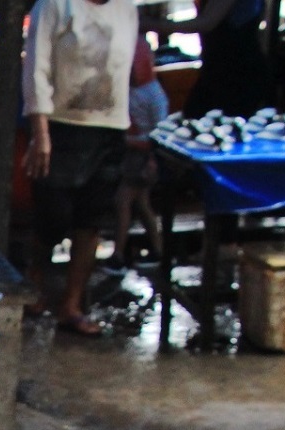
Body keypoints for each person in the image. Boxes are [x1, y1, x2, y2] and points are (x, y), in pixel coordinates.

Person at [23, 0, 141, 335]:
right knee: (52, 215)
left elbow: (125, 71)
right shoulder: (54, 5)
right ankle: (35, 284)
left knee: (91, 222)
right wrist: (40, 132)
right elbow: (36, 68)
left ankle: (71, 306)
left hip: (109, 129)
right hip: (60, 126)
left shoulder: (126, 9)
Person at [150, 0, 273, 118]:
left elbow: (206, 23)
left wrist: (149, 24)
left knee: (200, 120)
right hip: (222, 71)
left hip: (237, 75)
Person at [108, 36, 168, 272]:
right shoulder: (126, 88)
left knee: (122, 201)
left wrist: (153, 159)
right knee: (142, 205)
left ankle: (118, 255)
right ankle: (158, 250)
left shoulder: (154, 95)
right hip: (130, 153)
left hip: (143, 156)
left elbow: (160, 133)